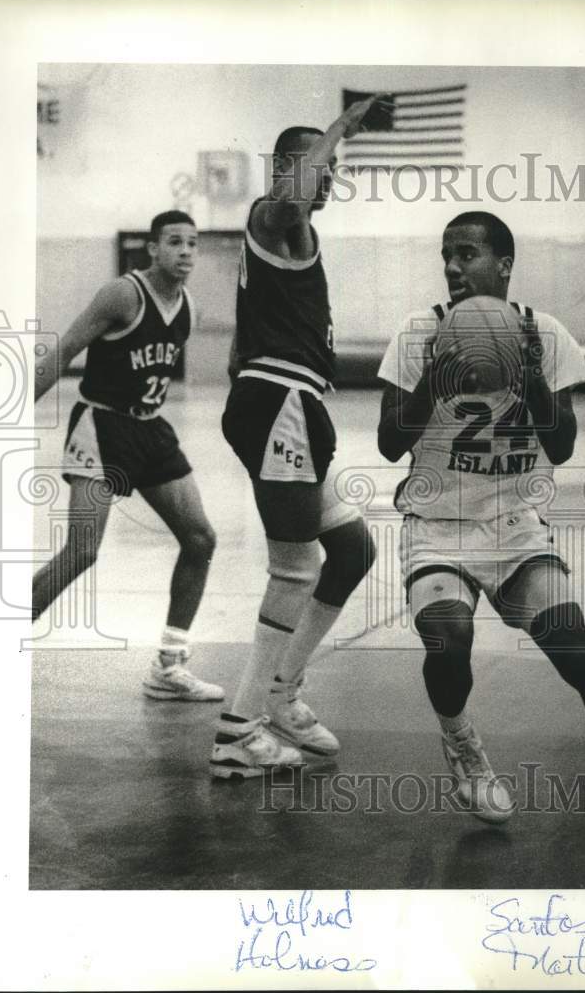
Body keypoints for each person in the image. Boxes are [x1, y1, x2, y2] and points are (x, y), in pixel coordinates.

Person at [376, 210, 585, 836]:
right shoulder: (417, 332)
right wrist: (437, 374)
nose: (454, 267)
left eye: (468, 254)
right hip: (438, 521)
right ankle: (463, 745)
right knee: (449, 639)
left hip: (514, 523)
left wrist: (529, 372)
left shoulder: (547, 333)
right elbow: (387, 441)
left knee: (575, 651)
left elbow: (561, 445)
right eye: (447, 255)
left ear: (503, 264)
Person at [210, 100, 381, 779]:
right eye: (324, 164)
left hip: (292, 404)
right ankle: (237, 731)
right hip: (281, 404)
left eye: (336, 163)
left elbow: (245, 336)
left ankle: (282, 690)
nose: (332, 174)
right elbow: (289, 199)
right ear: (288, 170)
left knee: (351, 550)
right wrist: (341, 126)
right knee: (294, 570)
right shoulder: (269, 217)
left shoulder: (297, 241)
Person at [33, 210, 223, 703]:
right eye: (175, 242)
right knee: (82, 552)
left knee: (200, 539)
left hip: (150, 430)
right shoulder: (123, 294)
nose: (186, 252)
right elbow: (66, 348)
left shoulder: (189, 310)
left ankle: (170, 664)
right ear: (152, 249)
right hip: (102, 424)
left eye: (193, 244)